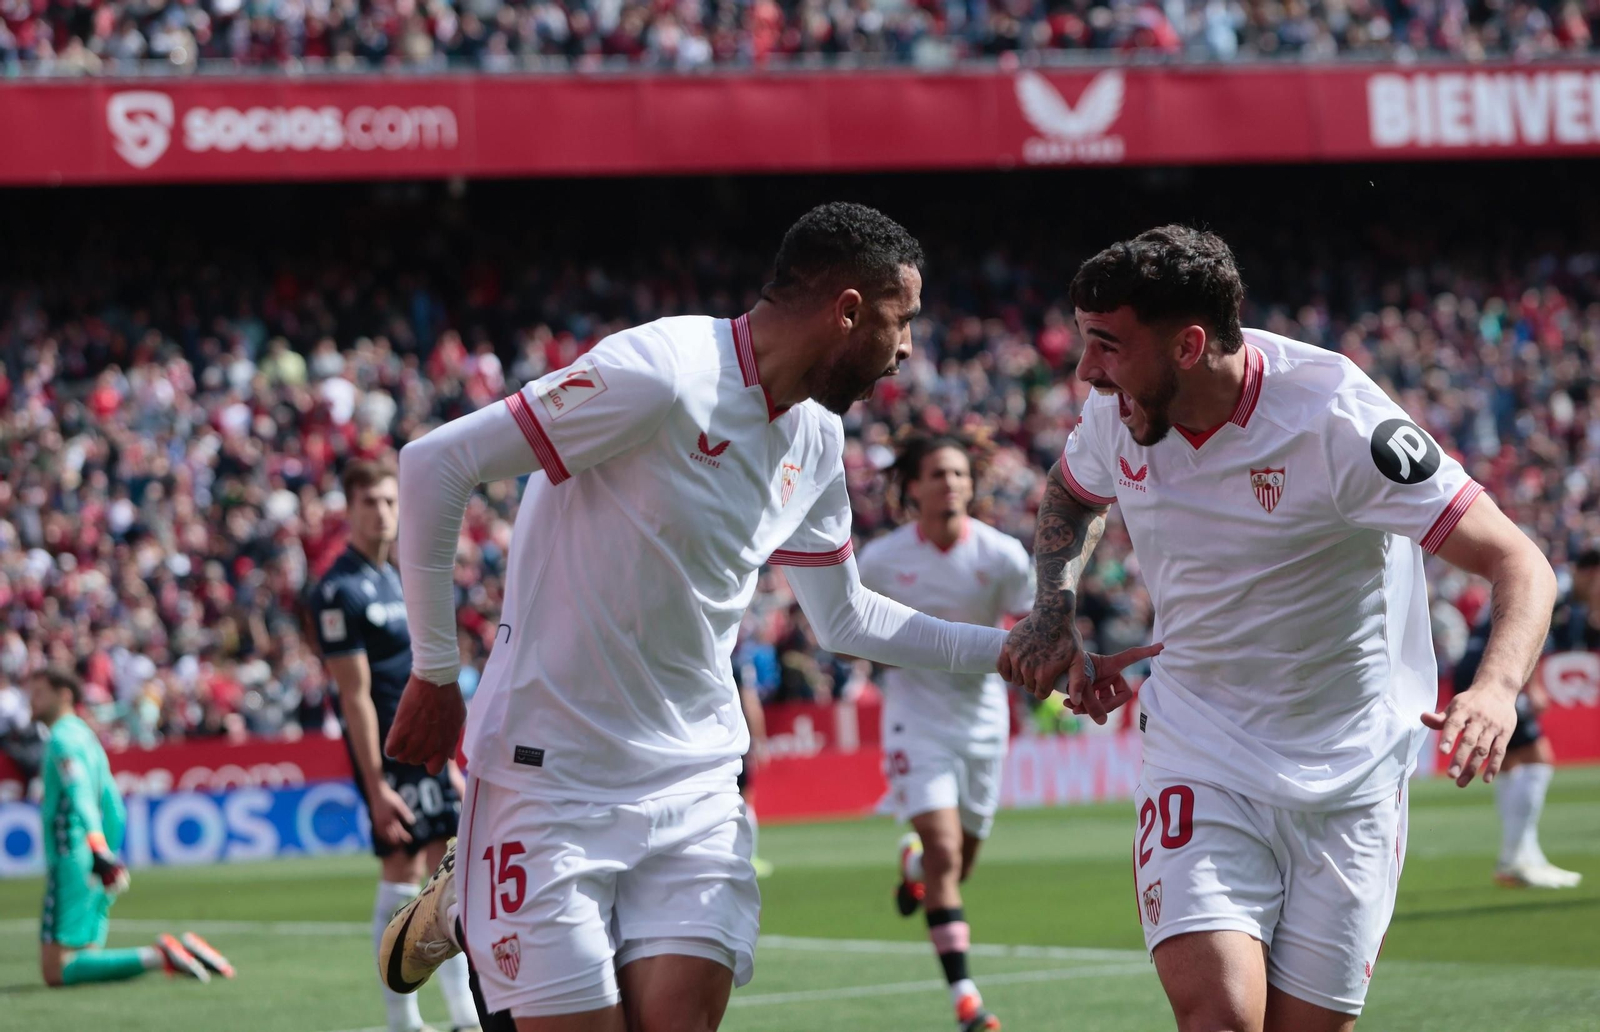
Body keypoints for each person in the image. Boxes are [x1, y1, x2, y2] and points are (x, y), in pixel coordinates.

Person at [375, 202, 1157, 1032]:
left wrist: (1022, 653)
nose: (906, 352)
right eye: (902, 323)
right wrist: (434, 671)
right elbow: (435, 464)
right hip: (550, 774)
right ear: (848, 310)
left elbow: (848, 618)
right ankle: (466, 906)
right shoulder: (663, 371)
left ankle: (474, 905)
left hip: (696, 781)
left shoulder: (816, 436)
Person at [1001, 226, 1557, 1032]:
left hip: (1352, 773)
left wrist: (1498, 689)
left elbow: (1519, 560)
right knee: (1220, 1018)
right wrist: (1055, 609)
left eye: (1107, 346)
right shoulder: (1116, 412)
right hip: (1202, 751)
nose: (1087, 371)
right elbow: (1070, 495)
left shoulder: (1337, 419)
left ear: (1189, 344)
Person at [855, 435, 1034, 1032]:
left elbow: (1034, 618)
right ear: (913, 488)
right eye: (937, 473)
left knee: (957, 865)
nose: (951, 483)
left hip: (983, 719)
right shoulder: (880, 561)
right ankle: (966, 998)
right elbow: (847, 621)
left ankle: (912, 869)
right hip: (915, 717)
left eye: (959, 472)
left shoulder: (1002, 554)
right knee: (947, 852)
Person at [310, 459, 478, 1032]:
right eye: (368, 503)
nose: (381, 512)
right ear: (349, 509)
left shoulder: (398, 576)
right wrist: (375, 783)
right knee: (401, 867)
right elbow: (353, 696)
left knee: (450, 870)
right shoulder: (338, 590)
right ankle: (402, 1019)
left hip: (426, 750)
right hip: (388, 753)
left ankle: (461, 1014)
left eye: (388, 501)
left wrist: (449, 763)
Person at [32, 667, 233, 988]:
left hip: (72, 853)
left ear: (64, 695)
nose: (32, 701)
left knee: (55, 970)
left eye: (39, 693)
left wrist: (97, 849)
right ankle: (179, 952)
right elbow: (113, 803)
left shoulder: (61, 739)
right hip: (95, 854)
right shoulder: (86, 736)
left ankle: (159, 956)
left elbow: (81, 795)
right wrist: (109, 852)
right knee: (86, 953)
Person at [1453, 547, 1595, 888]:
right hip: (1491, 667)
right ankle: (1515, 858)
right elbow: (1523, 630)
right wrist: (1528, 688)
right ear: (1590, 573)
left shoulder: (1559, 588)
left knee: (1515, 763)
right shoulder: (1555, 587)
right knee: (1537, 757)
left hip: (1478, 663)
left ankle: (1524, 856)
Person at [732, 659, 774, 878]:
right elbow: (751, 703)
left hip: (709, 739)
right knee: (746, 799)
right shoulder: (738, 663)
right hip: (734, 741)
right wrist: (760, 741)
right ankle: (750, 856)